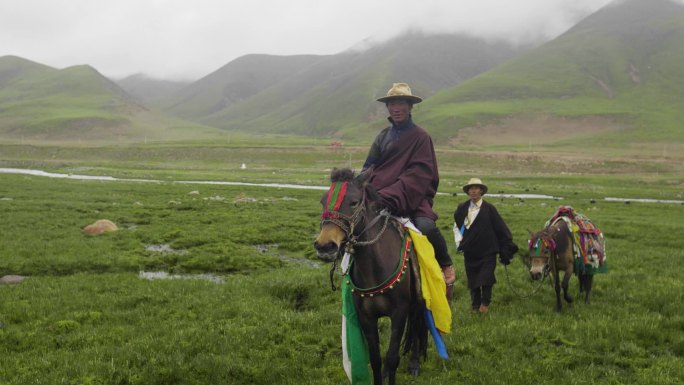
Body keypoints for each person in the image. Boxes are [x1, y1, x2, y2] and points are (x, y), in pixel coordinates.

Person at [361, 82, 456, 300]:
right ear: (387, 108)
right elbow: (369, 167)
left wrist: (392, 195)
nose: (396, 108)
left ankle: (446, 264)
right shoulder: (382, 137)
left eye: (401, 103)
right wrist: (358, 186)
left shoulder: (421, 137)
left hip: (412, 197)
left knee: (426, 226)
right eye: (392, 103)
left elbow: (419, 174)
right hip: (379, 195)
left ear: (410, 106)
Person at [453, 178, 518, 313]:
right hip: (470, 252)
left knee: (486, 278)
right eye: (471, 188)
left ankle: (485, 304)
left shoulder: (490, 209)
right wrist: (460, 243)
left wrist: (506, 247)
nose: (473, 191)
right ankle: (475, 306)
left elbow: (501, 228)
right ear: (468, 191)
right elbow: (457, 227)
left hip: (488, 251)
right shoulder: (462, 208)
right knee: (473, 279)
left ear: (481, 191)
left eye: (476, 188)